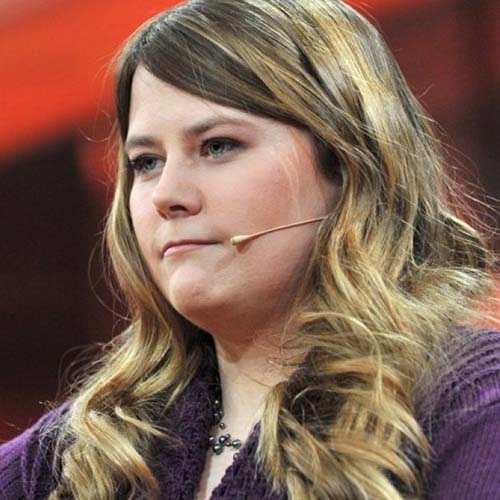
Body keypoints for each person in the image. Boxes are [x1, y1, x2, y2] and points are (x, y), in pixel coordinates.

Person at [1, 0, 499, 498]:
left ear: (346, 165)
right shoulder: (77, 457)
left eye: (217, 146)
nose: (166, 195)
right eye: (147, 162)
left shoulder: (470, 399)